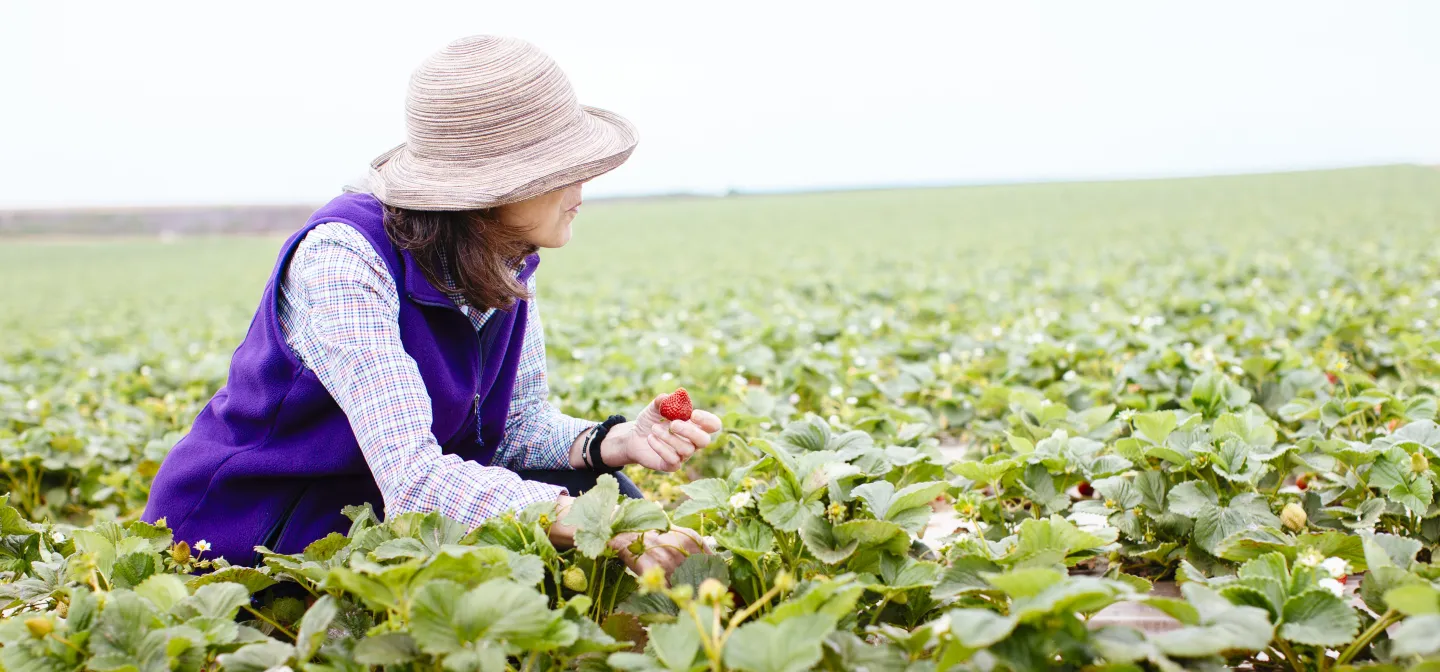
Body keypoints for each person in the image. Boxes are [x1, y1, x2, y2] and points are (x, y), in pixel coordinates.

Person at [142, 35, 719, 578]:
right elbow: (414, 480)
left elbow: (514, 428)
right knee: (589, 523)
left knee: (610, 491)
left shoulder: (504, 254)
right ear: (493, 186)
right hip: (261, 532)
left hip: (379, 509)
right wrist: (595, 526)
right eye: (563, 169)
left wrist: (612, 442)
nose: (584, 186)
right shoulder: (344, 259)